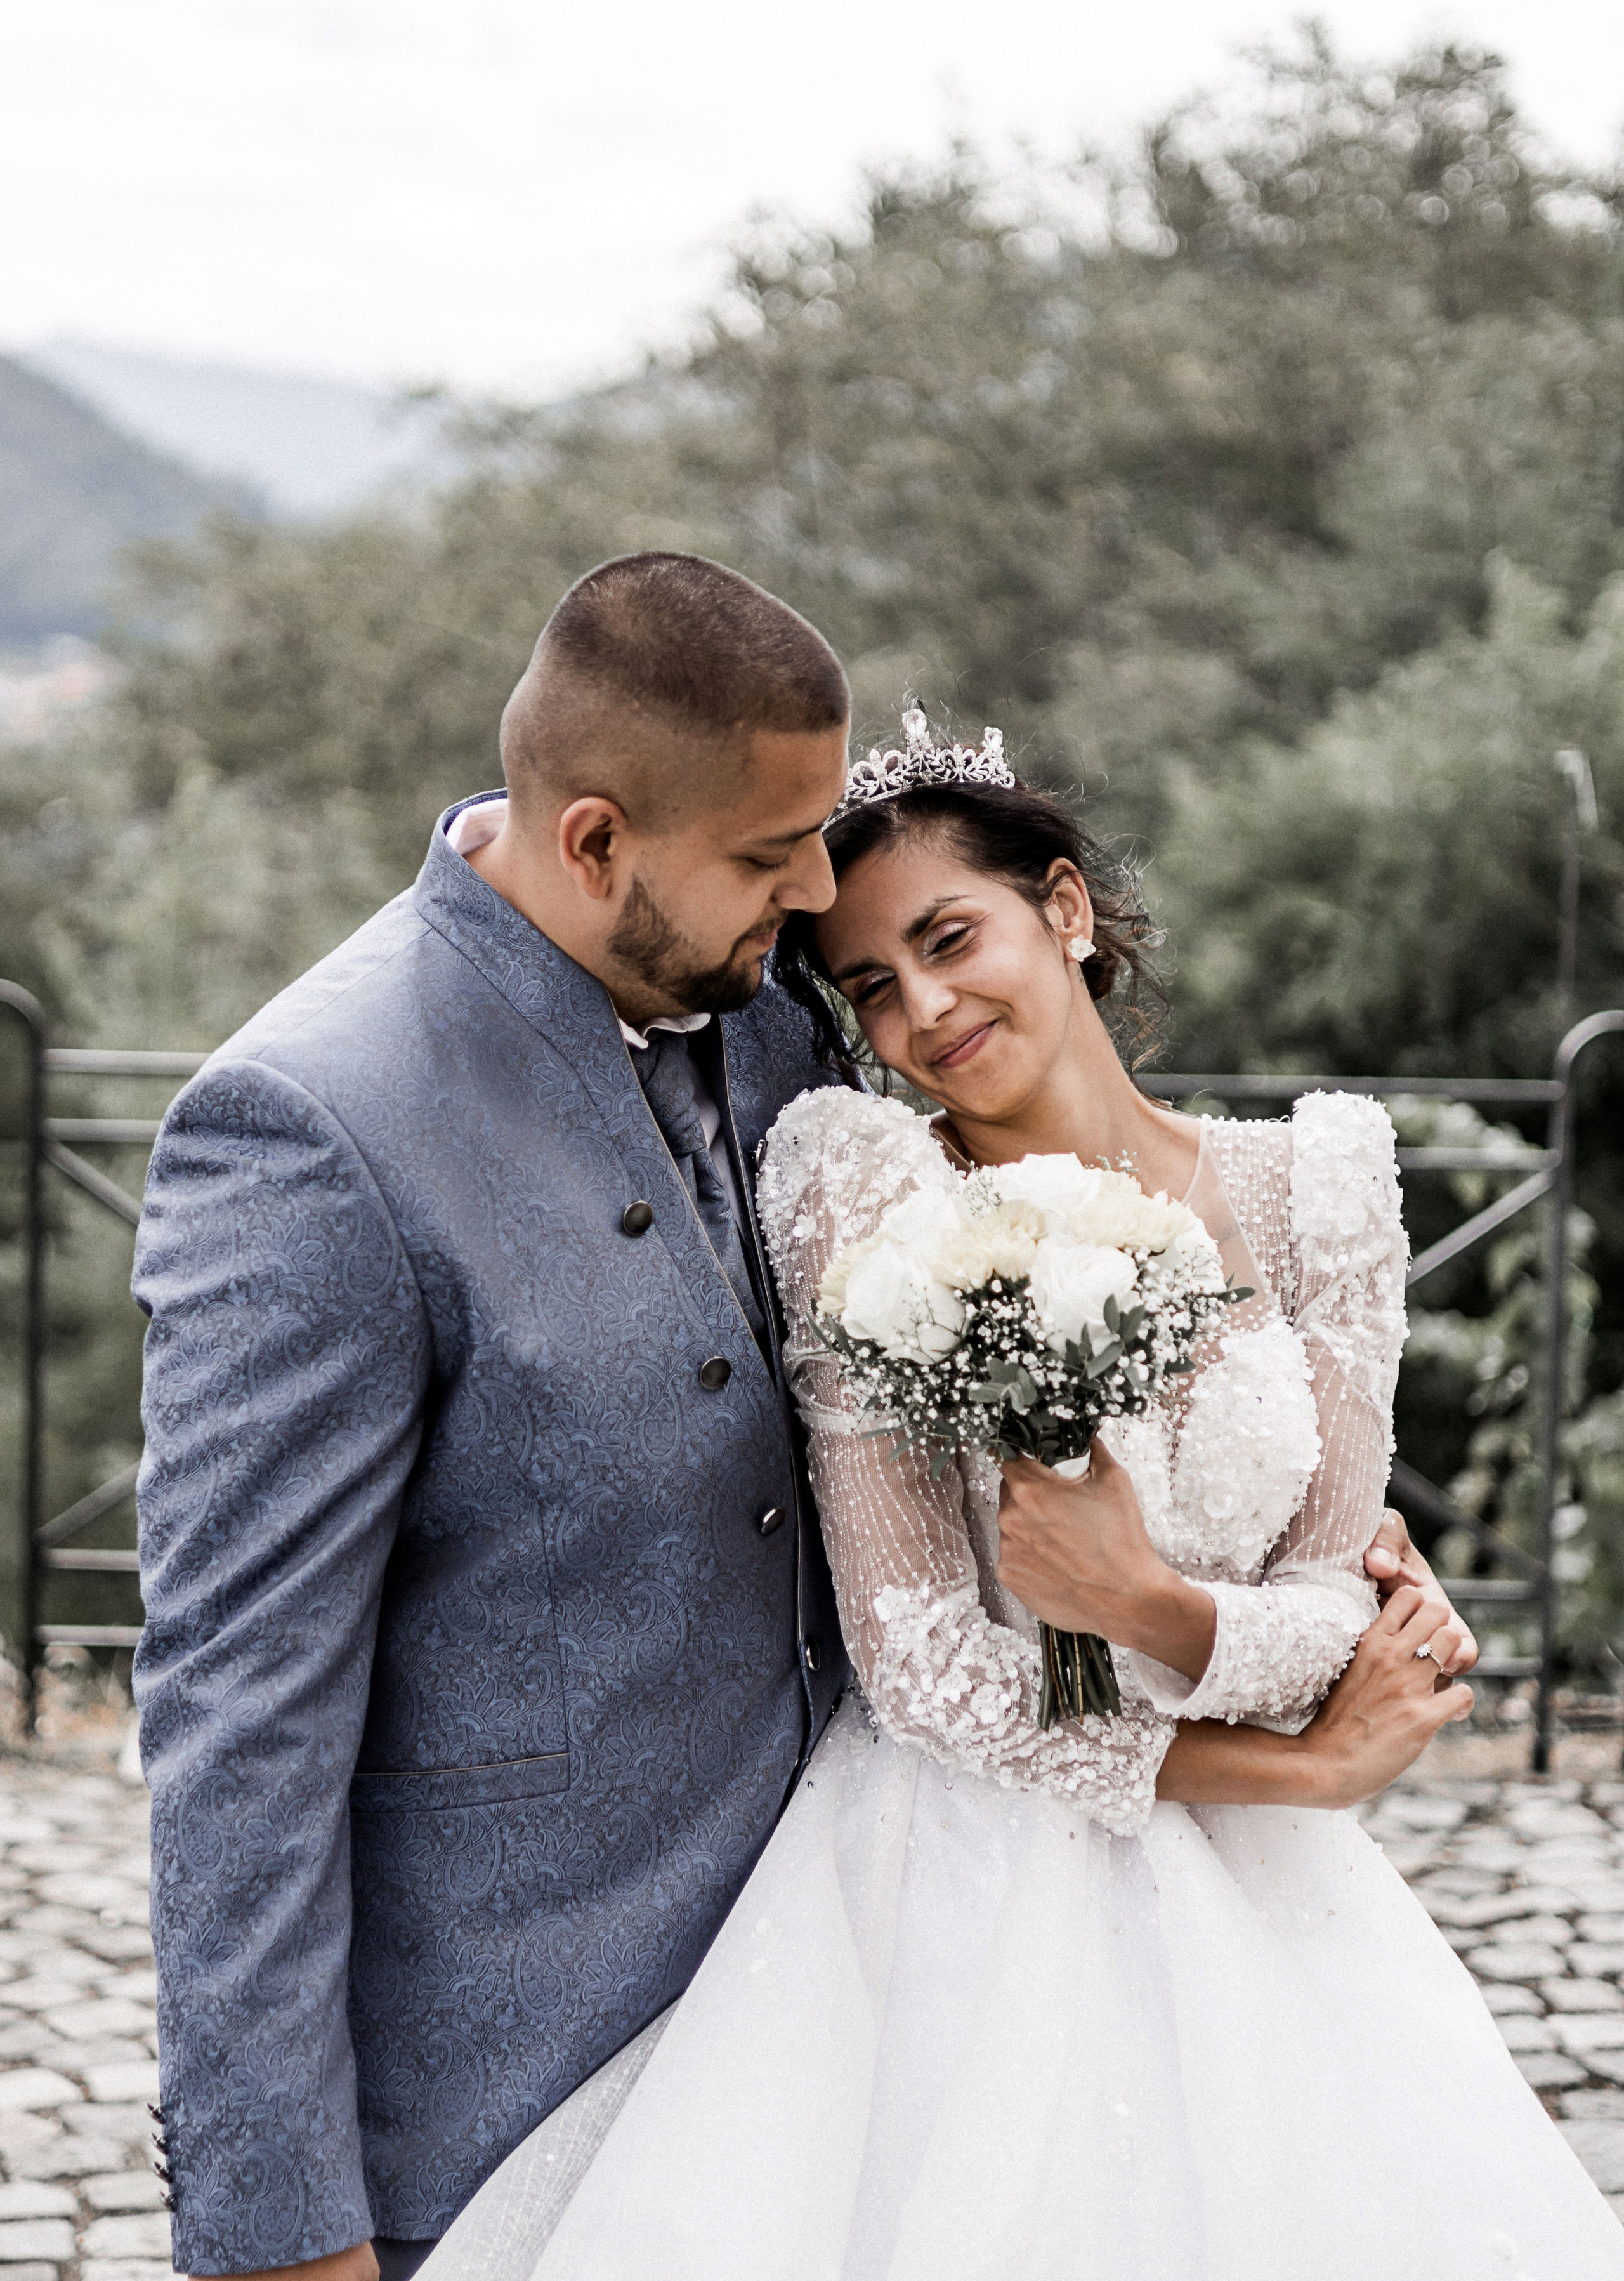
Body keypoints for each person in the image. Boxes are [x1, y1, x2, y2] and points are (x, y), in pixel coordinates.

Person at [421, 713, 1621, 2280]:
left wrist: (1152, 1607)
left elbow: (1336, 1593)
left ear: (1061, 907)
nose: (921, 1009)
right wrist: (1294, 1767)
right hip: (958, 1874)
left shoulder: (1313, 1189)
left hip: (1274, 1903)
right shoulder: (867, 1186)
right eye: (868, 985)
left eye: (947, 939)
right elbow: (918, 1662)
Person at [131, 554, 854, 2281]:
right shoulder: (307, 1128)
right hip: (497, 2124)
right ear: (595, 841)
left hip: (821, 2050)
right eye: (771, 853)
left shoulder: (773, 1025)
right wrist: (276, 2231)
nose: (819, 889)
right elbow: (241, 1718)